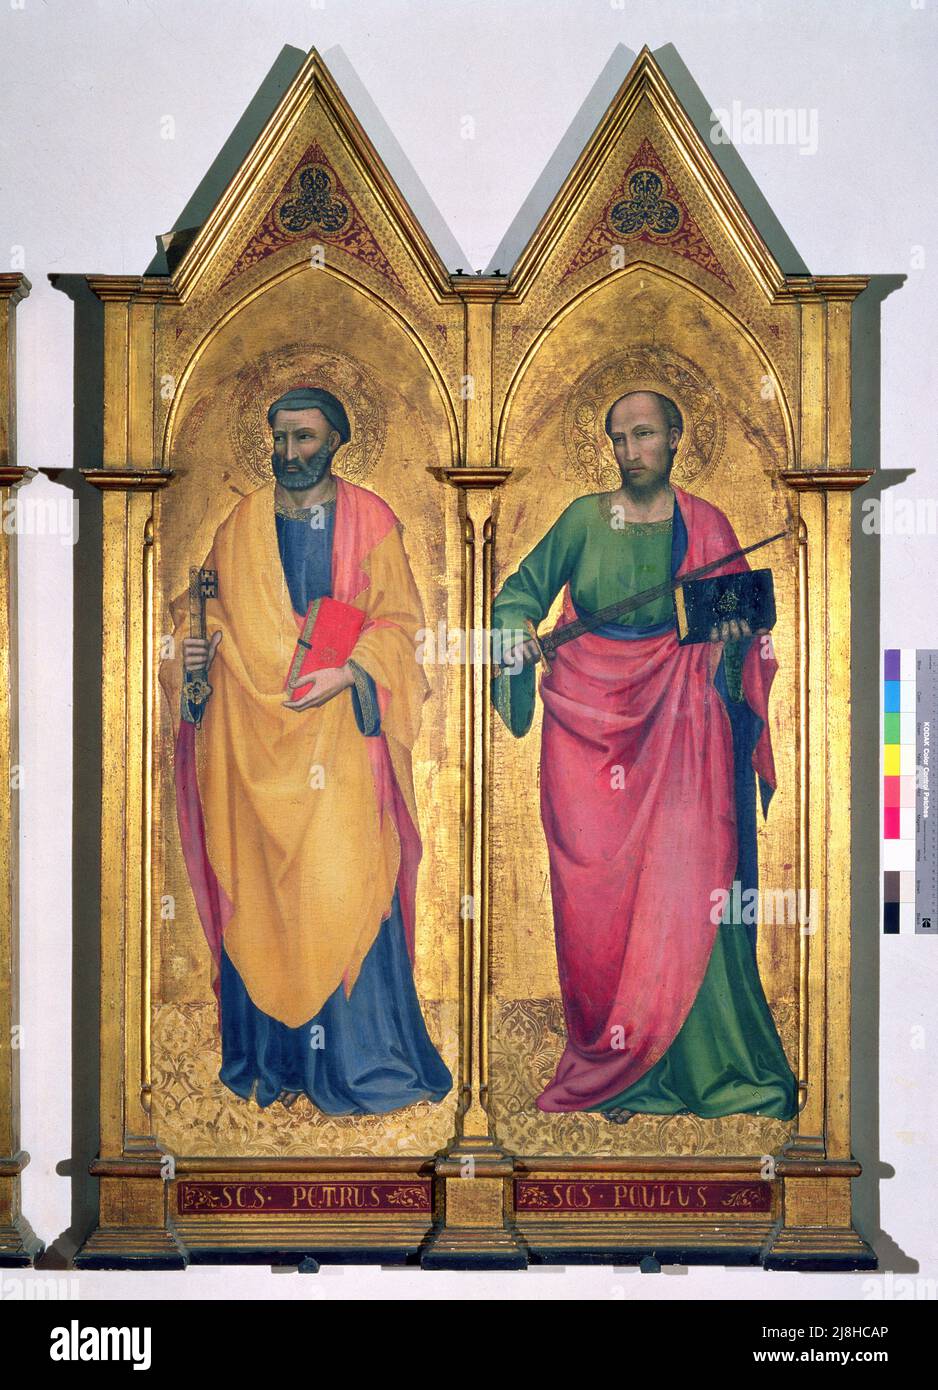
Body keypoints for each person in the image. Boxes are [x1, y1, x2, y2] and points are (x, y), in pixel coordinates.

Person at [491, 388, 797, 1122]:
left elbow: (744, 630)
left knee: (692, 881)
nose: (630, 451)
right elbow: (515, 596)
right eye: (618, 438)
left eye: (644, 435)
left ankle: (706, 1068)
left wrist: (732, 647)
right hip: (589, 734)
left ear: (675, 438)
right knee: (598, 902)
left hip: (685, 729)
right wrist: (516, 635)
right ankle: (618, 1068)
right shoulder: (583, 519)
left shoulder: (708, 524)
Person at [160, 385, 452, 1114]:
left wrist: (350, 674)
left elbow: (399, 625)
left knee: (344, 882)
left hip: (341, 740)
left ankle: (361, 1062)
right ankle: (277, 1062)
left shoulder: (370, 518)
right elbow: (205, 613)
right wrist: (194, 651)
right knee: (266, 900)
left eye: (305, 439)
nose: (289, 453)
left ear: (336, 443)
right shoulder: (242, 523)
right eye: (280, 438)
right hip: (252, 741)